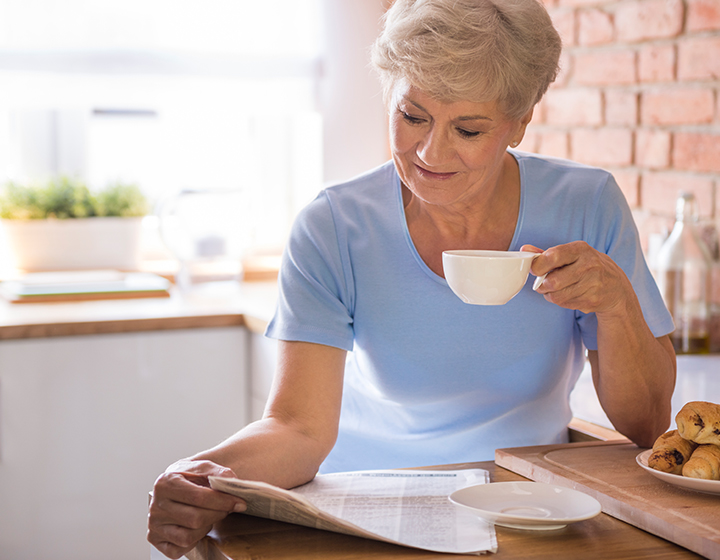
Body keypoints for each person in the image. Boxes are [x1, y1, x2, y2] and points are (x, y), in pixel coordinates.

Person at [147, 0, 677, 557]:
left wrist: (617, 304)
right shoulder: (334, 226)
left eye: (468, 129)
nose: (431, 152)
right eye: (412, 116)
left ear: (520, 122)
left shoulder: (586, 205)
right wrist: (200, 474)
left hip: (524, 510)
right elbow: (297, 428)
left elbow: (648, 424)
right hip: (365, 508)